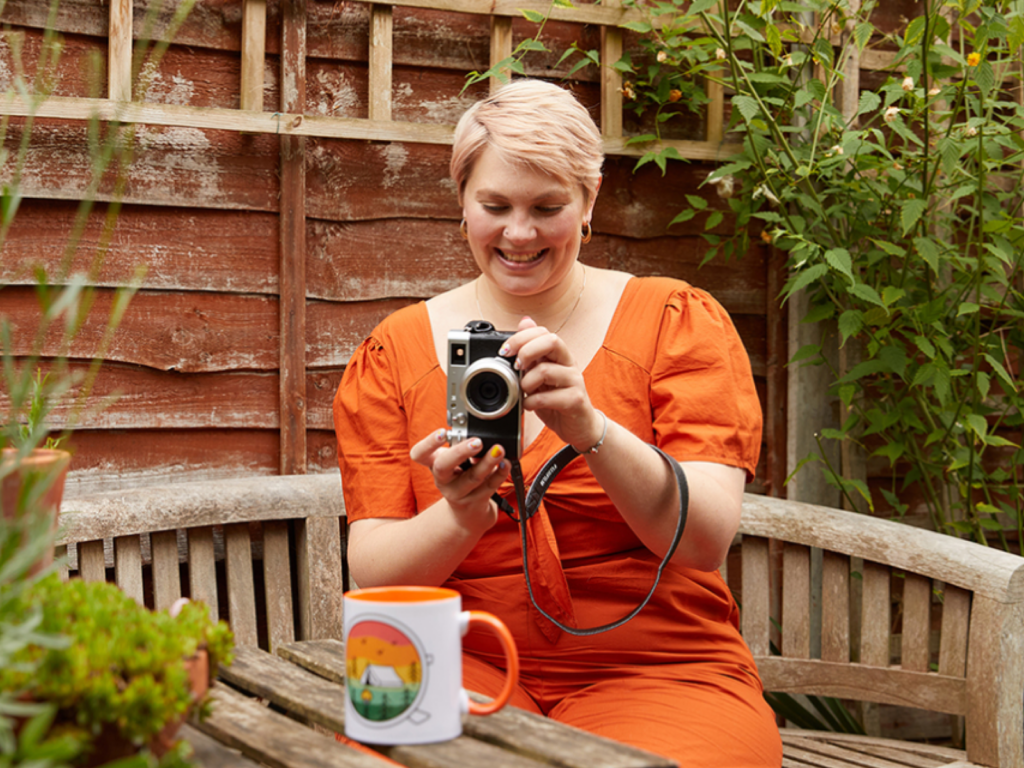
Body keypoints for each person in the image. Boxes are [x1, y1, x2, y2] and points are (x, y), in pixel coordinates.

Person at [333, 79, 782, 767]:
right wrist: (459, 514)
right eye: (495, 205)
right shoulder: (395, 351)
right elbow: (373, 574)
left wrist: (588, 425)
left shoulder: (673, 322)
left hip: (661, 670)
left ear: (589, 201)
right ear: (462, 203)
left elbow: (704, 542)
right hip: (460, 657)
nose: (519, 233)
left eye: (548, 207)